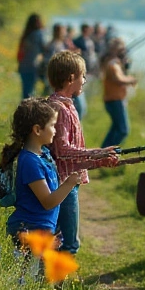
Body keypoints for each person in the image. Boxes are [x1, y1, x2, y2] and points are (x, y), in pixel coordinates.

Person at [45, 51, 121, 256]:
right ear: (71, 78)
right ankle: (53, 285)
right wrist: (98, 153)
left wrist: (100, 161)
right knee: (68, 243)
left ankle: (49, 282)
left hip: (70, 180)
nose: (85, 81)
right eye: (83, 76)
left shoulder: (69, 106)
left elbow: (71, 155)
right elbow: (62, 151)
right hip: (63, 183)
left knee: (61, 238)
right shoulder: (58, 108)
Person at [1, 97, 84, 246]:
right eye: (52, 125)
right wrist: (69, 184)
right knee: (31, 270)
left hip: (41, 229)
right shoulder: (30, 162)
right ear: (37, 130)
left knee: (40, 269)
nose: (55, 130)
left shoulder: (43, 154)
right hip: (29, 231)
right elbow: (47, 202)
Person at [101, 38, 137, 149]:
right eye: (122, 50)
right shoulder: (113, 65)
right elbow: (118, 79)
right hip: (114, 100)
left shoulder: (114, 63)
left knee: (115, 128)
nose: (124, 52)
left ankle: (103, 152)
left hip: (115, 100)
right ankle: (108, 152)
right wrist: (131, 80)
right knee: (123, 130)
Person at [17, 15, 48, 99]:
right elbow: (45, 48)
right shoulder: (39, 34)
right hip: (33, 66)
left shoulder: (26, 34)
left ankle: (23, 110)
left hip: (23, 66)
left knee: (26, 92)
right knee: (31, 92)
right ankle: (29, 111)